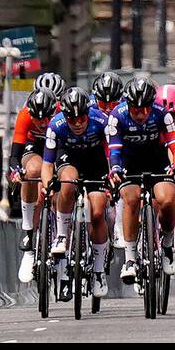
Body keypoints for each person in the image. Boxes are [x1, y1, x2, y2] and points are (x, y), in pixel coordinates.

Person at [106, 75, 175, 285]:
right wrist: (115, 168)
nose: (141, 113)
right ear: (128, 104)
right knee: (130, 199)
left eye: (145, 108)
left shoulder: (161, 113)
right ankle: (130, 259)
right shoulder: (117, 116)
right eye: (136, 109)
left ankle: (167, 244)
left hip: (156, 159)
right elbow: (113, 151)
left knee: (167, 200)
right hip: (128, 161)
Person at [41, 87, 111, 300]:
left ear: (88, 113)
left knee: (97, 213)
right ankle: (62, 235)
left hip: (95, 161)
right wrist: (46, 185)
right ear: (65, 116)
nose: (78, 123)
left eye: (82, 117)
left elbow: (113, 152)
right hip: (68, 159)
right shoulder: (56, 126)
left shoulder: (102, 121)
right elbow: (47, 163)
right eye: (72, 119)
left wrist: (112, 177)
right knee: (68, 182)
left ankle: (98, 270)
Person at [9, 88, 54, 282]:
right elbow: (14, 155)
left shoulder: (61, 113)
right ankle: (28, 232)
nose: (43, 123)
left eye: (47, 119)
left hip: (58, 145)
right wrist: (16, 170)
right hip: (34, 147)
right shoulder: (25, 115)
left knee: (63, 183)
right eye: (38, 120)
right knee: (32, 170)